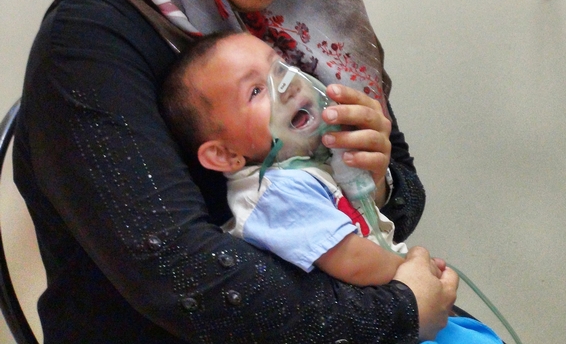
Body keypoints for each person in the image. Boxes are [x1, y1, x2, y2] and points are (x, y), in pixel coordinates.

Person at [13, 0, 457, 342]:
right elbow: (182, 277)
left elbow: (405, 194)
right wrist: (397, 311)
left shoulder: (297, 27)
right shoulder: (87, 46)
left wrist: (374, 181)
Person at [159, 31, 502, 344]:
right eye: (256, 90)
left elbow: (369, 205)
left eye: (280, 66)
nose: (288, 84)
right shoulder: (275, 193)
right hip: (370, 319)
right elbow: (350, 260)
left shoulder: (302, 165)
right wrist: (413, 271)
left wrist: (373, 173)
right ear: (225, 154)